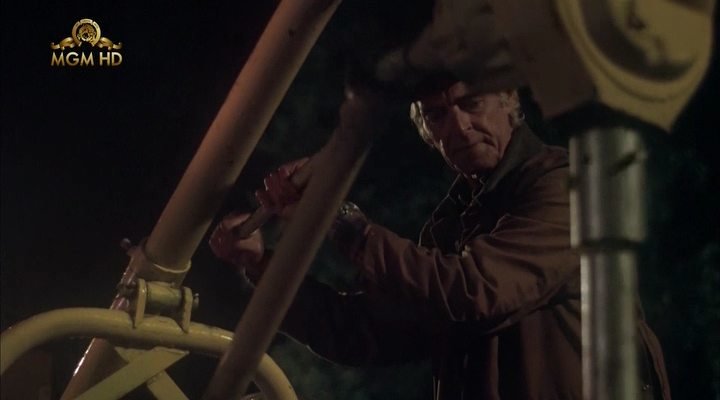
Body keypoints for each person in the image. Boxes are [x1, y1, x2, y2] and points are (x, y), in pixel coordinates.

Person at [209, 81, 671, 399]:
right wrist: (261, 264)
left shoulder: (568, 188)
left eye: (472, 103)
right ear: (426, 132)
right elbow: (362, 332)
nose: (459, 126)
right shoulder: (452, 225)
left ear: (509, 99)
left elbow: (476, 290)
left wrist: (334, 216)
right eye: (437, 114)